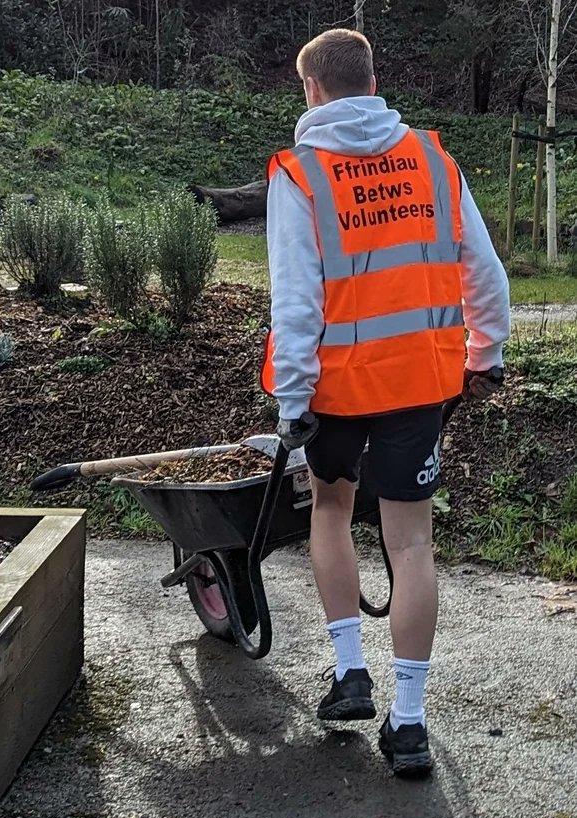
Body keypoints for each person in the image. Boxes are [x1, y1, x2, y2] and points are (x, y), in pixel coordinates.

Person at [263, 28, 510, 776]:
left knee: (332, 511)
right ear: (374, 81)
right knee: (410, 546)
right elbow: (485, 273)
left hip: (335, 393)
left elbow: (297, 306)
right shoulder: (433, 160)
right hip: (418, 386)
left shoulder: (299, 175)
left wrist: (291, 402)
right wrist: (486, 355)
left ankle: (350, 673)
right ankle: (409, 725)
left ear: (312, 90)